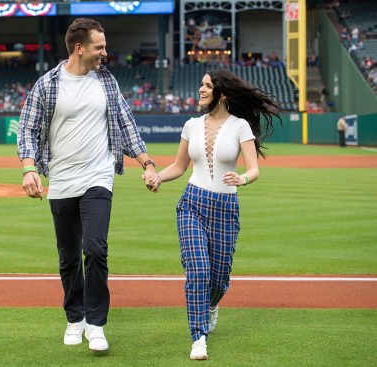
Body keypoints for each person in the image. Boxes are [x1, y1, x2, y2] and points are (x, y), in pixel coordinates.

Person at [17, 18, 157, 352]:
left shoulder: (106, 81)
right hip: (62, 179)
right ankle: (74, 317)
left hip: (99, 176)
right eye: (99, 47)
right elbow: (27, 129)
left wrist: (148, 163)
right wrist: (28, 169)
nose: (104, 53)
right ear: (79, 48)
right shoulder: (48, 84)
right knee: (67, 257)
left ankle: (95, 324)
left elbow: (126, 124)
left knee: (95, 249)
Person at [146, 69, 281, 360]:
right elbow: (179, 167)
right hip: (192, 203)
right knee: (198, 270)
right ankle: (199, 337)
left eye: (207, 86)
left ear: (222, 93)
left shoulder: (240, 126)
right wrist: (157, 177)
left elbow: (253, 168)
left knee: (218, 279)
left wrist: (243, 179)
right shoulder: (191, 125)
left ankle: (211, 304)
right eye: (201, 84)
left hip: (225, 207)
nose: (201, 89)